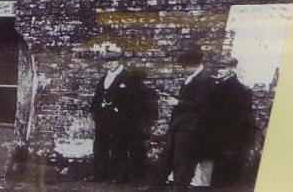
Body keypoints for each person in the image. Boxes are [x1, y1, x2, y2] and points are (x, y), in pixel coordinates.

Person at [145, 46, 214, 191]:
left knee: (182, 162)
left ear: (193, 64)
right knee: (166, 158)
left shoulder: (205, 80)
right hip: (179, 125)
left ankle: (178, 188)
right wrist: (175, 99)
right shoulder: (192, 77)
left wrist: (178, 103)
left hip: (190, 128)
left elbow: (201, 104)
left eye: (185, 66)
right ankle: (155, 187)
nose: (183, 69)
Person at [90, 45, 143, 183]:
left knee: (118, 146)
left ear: (119, 61)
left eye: (112, 61)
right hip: (103, 118)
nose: (110, 64)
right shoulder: (103, 79)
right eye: (107, 62)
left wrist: (117, 109)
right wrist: (97, 110)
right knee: (100, 145)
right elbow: (96, 98)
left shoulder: (128, 78)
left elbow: (133, 99)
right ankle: (100, 174)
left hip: (119, 119)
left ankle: (120, 176)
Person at [209, 56, 256, 187]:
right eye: (218, 67)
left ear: (232, 70)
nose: (219, 71)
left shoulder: (240, 90)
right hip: (216, 129)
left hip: (227, 130)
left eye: (223, 68)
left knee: (223, 160)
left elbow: (242, 114)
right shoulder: (216, 85)